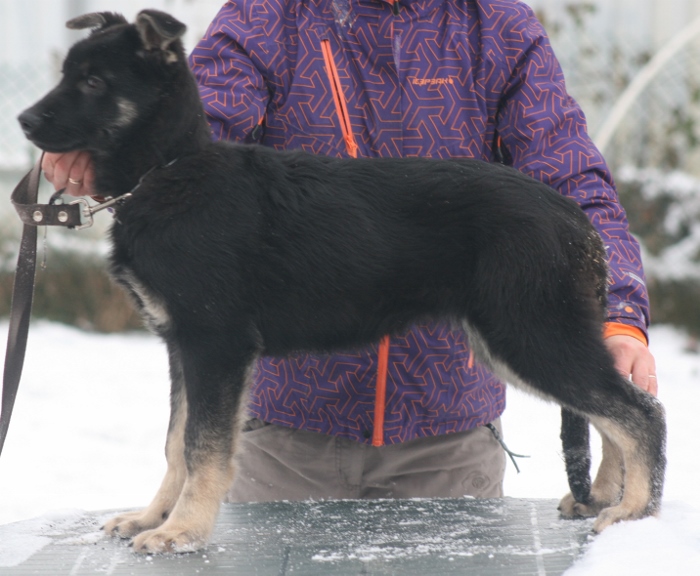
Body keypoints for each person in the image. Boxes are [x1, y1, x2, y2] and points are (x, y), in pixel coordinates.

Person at [43, 0, 657, 502]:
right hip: (285, 441)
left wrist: (621, 313)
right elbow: (199, 131)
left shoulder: (495, 26)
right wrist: (106, 149)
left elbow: (570, 177)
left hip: (448, 442)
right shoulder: (266, 18)